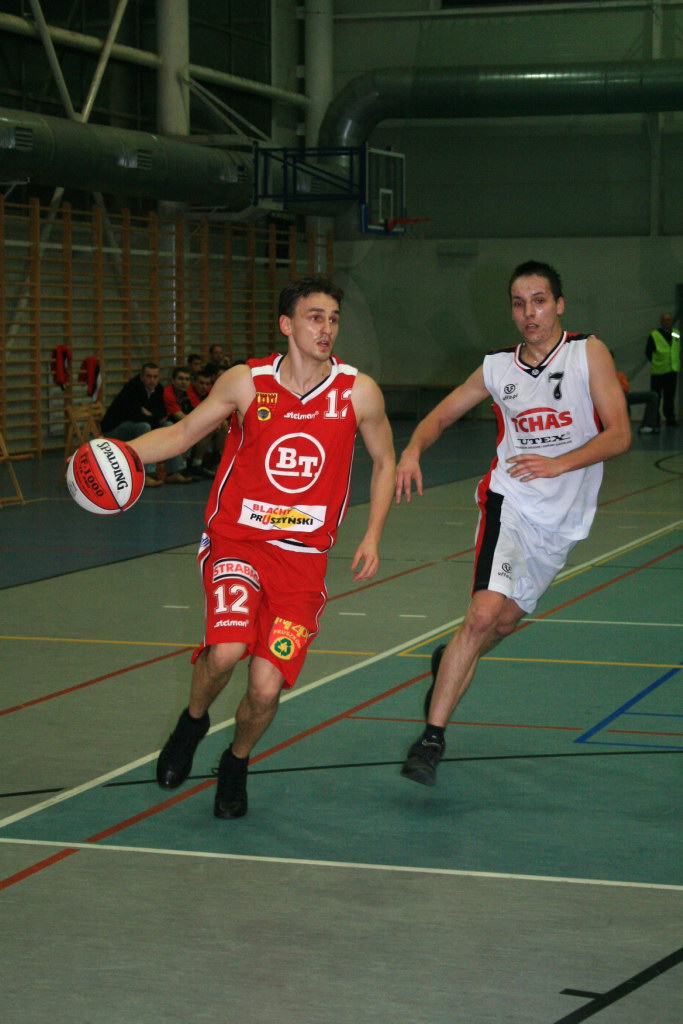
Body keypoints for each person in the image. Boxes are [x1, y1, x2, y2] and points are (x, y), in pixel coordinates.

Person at [129, 276, 395, 818]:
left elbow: (385, 461)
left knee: (266, 689)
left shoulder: (358, 391)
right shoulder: (246, 382)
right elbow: (181, 435)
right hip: (238, 540)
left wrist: (373, 534)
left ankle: (236, 761)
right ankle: (193, 723)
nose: (326, 328)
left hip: (302, 560)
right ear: (287, 324)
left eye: (333, 318)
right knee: (227, 650)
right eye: (315, 317)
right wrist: (119, 453)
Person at [395, 260, 631, 788]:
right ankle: (431, 739)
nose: (530, 313)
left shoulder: (587, 353)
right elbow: (441, 415)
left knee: (501, 625)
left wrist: (558, 464)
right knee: (482, 615)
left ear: (559, 305)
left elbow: (619, 435)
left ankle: (450, 660)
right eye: (520, 304)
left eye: (540, 301)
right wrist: (412, 449)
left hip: (562, 520)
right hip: (512, 503)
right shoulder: (497, 367)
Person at [101, 362, 193, 486]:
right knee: (145, 427)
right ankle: (147, 474)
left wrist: (148, 414)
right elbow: (134, 415)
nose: (152, 380)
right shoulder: (132, 388)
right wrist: (151, 416)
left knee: (168, 425)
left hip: (139, 425)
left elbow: (162, 413)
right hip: (115, 428)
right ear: (142, 377)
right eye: (148, 376)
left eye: (155, 377)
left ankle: (173, 472)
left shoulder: (158, 389)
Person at [645, 313, 680, 426]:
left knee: (670, 396)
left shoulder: (676, 333)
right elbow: (648, 352)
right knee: (656, 397)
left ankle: (670, 418)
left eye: (669, 320)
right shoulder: (654, 335)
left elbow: (676, 346)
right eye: (665, 320)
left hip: (672, 370)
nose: (667, 322)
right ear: (661, 322)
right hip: (658, 371)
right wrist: (657, 362)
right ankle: (655, 418)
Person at [613, 361, 660, 434]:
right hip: (609, 399)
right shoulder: (600, 376)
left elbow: (626, 388)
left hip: (622, 396)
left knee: (653, 395)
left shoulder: (619, 374)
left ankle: (647, 426)